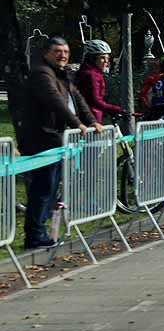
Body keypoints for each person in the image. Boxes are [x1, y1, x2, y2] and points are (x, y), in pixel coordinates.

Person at [18, 37, 102, 249]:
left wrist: (91, 121)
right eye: (58, 51)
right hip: (42, 139)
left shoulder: (61, 74)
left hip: (56, 138)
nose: (63, 55)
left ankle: (40, 232)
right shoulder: (42, 74)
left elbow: (77, 99)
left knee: (50, 187)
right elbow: (54, 101)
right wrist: (77, 124)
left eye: (65, 51)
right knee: (43, 189)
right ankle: (34, 236)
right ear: (46, 53)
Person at [74, 40, 124, 124]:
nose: (106, 61)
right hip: (91, 119)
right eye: (102, 57)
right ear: (92, 58)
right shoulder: (92, 75)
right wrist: (117, 109)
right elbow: (95, 101)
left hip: (86, 117)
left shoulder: (87, 72)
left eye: (107, 58)